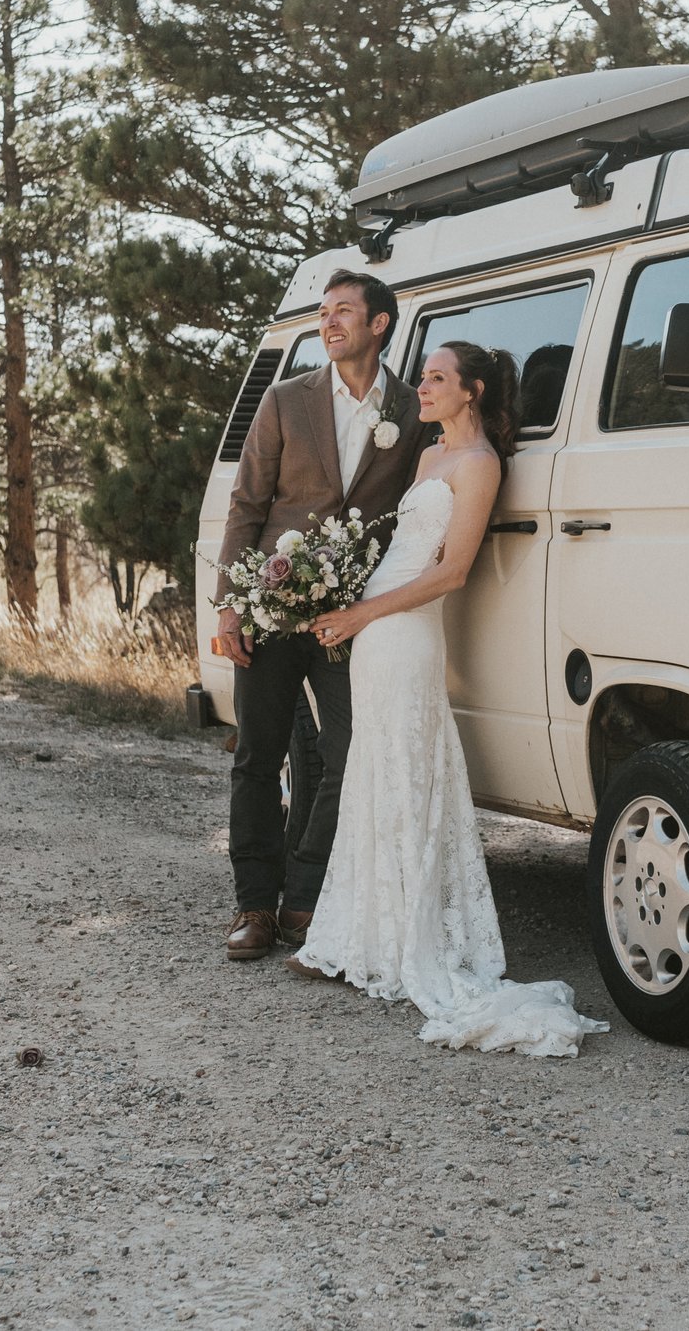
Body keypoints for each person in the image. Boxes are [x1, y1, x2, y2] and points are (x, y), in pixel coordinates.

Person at [291, 341, 609, 1058]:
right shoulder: (428, 456)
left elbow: (452, 573)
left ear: (471, 391)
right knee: (373, 769)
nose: (422, 387)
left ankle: (415, 942)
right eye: (424, 377)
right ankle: (366, 933)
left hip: (406, 632)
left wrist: (362, 615)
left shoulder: (479, 464)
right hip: (375, 625)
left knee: (409, 771)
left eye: (436, 378)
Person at [215, 270, 430, 962]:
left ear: (380, 325)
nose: (329, 322)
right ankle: (254, 905)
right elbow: (247, 503)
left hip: (350, 619)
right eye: (323, 311)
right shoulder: (285, 399)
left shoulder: (411, 406)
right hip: (273, 609)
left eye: (343, 311)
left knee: (351, 751)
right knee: (258, 756)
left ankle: (304, 894)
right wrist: (229, 604)